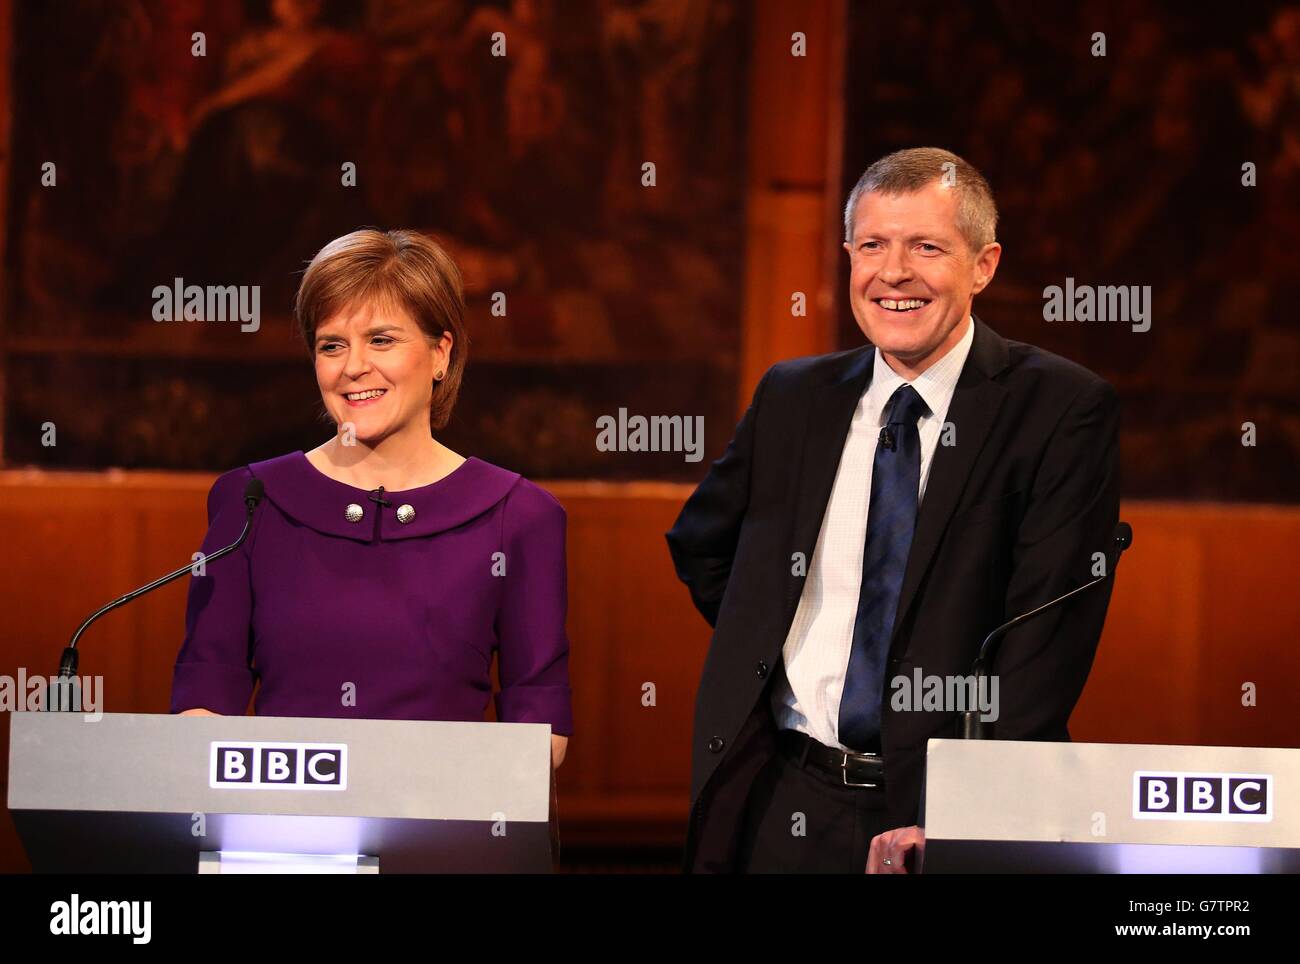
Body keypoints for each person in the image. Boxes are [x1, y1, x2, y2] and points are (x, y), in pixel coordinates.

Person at [666, 147, 1120, 872]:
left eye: (926, 247)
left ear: (984, 264)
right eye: (872, 246)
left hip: (937, 812)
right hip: (779, 793)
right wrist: (786, 643)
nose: (894, 272)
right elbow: (703, 546)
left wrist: (959, 817)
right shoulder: (794, 397)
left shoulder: (1060, 410)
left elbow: (1046, 646)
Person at [170, 228, 572, 769]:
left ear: (440, 353)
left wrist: (411, 789)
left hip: (445, 839)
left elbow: (540, 730)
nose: (353, 366)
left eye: (381, 340)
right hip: (282, 838)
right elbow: (203, 702)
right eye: (332, 345)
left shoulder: (519, 517)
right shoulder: (252, 502)